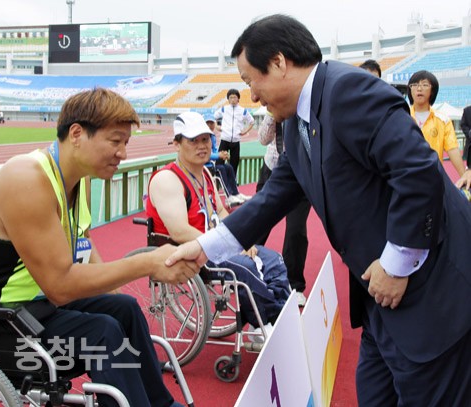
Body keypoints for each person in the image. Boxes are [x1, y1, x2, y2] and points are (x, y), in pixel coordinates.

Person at [166, 15, 471, 406]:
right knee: (374, 395)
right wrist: (204, 248)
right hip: (380, 302)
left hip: (430, 296)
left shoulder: (349, 91)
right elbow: (271, 198)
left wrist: (397, 264)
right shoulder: (297, 124)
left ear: (278, 63)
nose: (252, 96)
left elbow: (417, 171)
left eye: (250, 81)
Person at [0, 88, 197, 407]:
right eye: (115, 141)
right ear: (77, 134)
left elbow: (82, 243)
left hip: (34, 306)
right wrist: (147, 262)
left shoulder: (78, 180)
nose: (122, 153)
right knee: (103, 332)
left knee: (125, 309)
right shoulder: (26, 178)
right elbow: (60, 286)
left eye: (126, 143)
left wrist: (111, 286)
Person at [146, 111, 290, 339]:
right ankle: (266, 322)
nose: (202, 145)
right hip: (188, 249)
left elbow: (221, 212)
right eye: (193, 140)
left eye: (205, 139)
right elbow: (179, 231)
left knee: (274, 260)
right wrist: (227, 245)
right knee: (246, 267)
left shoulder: (205, 173)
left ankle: (277, 317)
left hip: (213, 243)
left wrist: (241, 239)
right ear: (176, 144)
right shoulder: (167, 179)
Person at [255, 111, 310, 306]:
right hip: (272, 169)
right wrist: (273, 114)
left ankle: (295, 286)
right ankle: (245, 270)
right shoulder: (274, 106)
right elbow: (263, 139)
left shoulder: (306, 109)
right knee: (258, 224)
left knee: (296, 229)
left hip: (300, 173)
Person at [408, 70, 466, 177]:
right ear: (410, 90)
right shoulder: (402, 116)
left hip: (433, 176)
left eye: (425, 85)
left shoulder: (443, 120)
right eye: (415, 85)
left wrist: (464, 176)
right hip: (406, 176)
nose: (419, 88)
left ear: (432, 91)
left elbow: (452, 149)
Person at [204, 114, 251, 206]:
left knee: (229, 167)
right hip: (205, 166)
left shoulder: (212, 136)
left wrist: (222, 154)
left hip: (211, 164)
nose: (210, 125)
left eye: (211, 123)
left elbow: (214, 150)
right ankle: (229, 196)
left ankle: (236, 193)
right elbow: (206, 154)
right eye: (207, 123)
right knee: (220, 168)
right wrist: (218, 155)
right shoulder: (203, 137)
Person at [213, 88, 255, 176]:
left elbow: (252, 121)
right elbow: (214, 116)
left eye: (234, 97)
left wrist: (245, 131)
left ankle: (232, 180)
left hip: (236, 141)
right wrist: (216, 126)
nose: (232, 99)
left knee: (234, 164)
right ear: (228, 99)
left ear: (238, 99)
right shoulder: (224, 109)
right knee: (219, 162)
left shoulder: (243, 111)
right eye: (230, 97)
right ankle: (218, 179)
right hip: (225, 139)